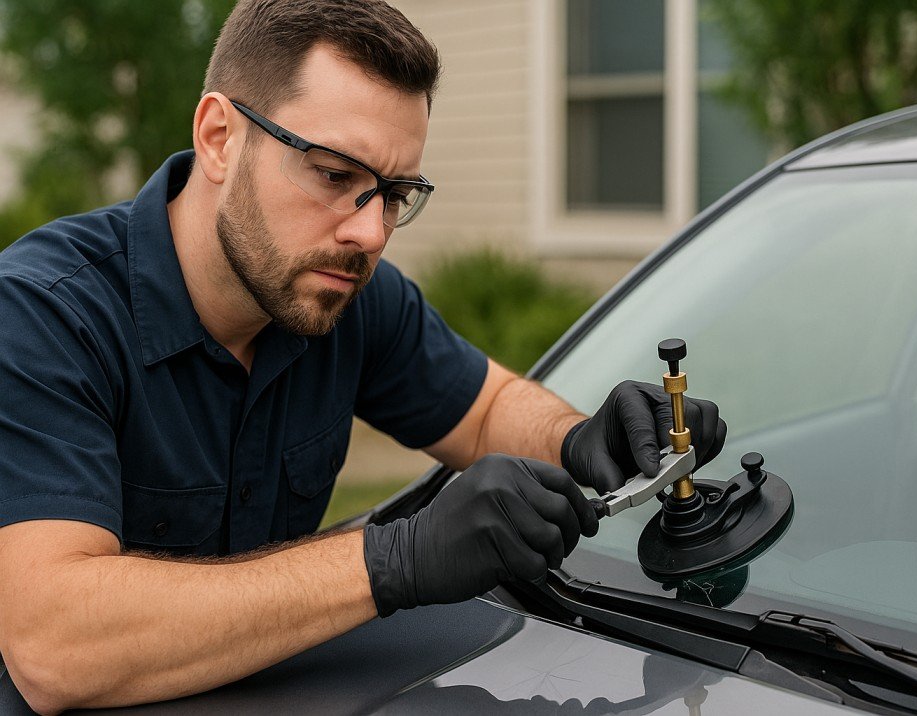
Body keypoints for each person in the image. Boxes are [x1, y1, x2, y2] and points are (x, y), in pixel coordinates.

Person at [0, 0, 727, 712]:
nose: (371, 234)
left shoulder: (339, 294)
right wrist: (392, 559)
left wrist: (576, 437)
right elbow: (54, 648)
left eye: (394, 193)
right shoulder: (42, 316)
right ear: (220, 137)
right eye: (334, 175)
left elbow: (485, 413)